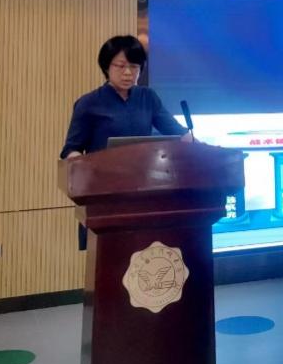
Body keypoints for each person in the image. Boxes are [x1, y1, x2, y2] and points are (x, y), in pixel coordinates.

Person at [60, 35, 191, 249]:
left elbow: (177, 133)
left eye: (134, 66)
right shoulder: (88, 103)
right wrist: (80, 167)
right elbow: (70, 150)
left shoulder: (147, 98)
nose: (128, 73)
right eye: (121, 66)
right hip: (102, 197)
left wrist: (199, 145)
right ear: (106, 67)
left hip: (143, 193)